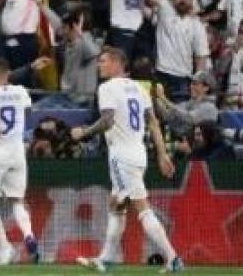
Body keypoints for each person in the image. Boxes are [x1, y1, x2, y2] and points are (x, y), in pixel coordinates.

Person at [71, 47, 183, 273]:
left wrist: (84, 132)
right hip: (138, 153)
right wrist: (161, 154)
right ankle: (105, 259)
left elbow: (108, 120)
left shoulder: (107, 88)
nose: (99, 65)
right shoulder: (138, 88)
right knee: (116, 204)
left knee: (142, 208)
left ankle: (173, 258)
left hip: (121, 155)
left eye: (103, 61)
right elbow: (153, 122)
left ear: (116, 64)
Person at [0, 58, 38, 265]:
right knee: (17, 201)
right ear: (8, 74)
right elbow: (28, 113)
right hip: (17, 151)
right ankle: (29, 234)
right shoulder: (21, 91)